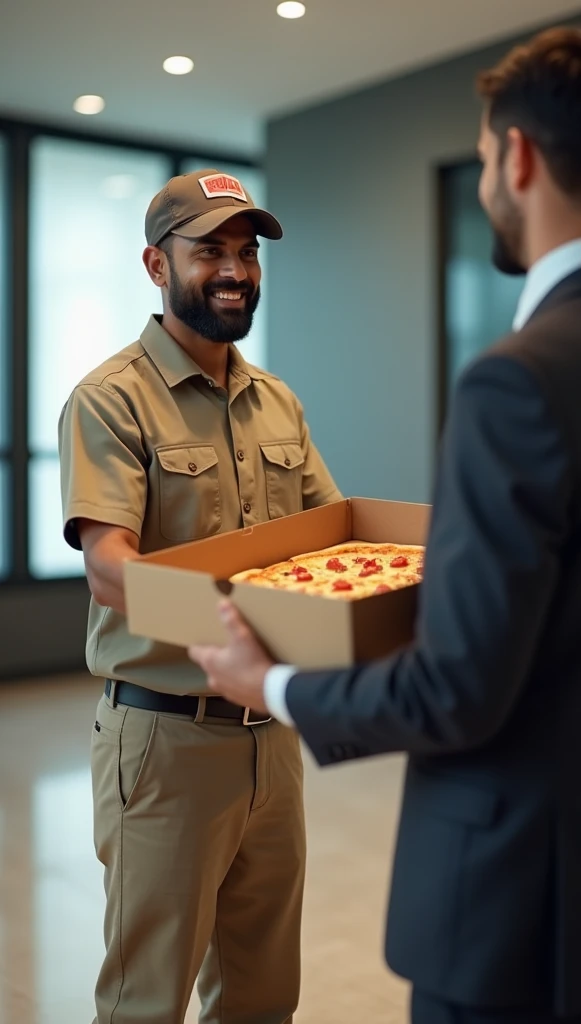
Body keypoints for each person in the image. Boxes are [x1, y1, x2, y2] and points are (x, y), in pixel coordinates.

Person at [189, 28, 581, 1024]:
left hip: (511, 906)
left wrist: (270, 682)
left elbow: (457, 692)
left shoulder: (518, 380)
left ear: (515, 156)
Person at [58, 168, 341, 1024]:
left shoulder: (276, 403)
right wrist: (244, 621)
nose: (235, 270)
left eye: (247, 252)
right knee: (148, 998)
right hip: (165, 743)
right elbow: (109, 568)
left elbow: (336, 536)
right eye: (209, 250)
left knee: (262, 996)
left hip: (271, 741)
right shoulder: (112, 401)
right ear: (156, 264)